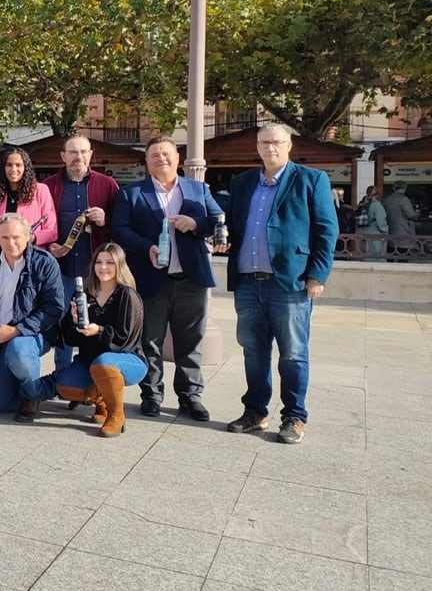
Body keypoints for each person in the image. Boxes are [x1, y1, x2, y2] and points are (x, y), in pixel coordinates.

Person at [225, 124, 338, 444]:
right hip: (248, 282)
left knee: (293, 354)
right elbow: (230, 222)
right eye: (264, 142)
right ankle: (255, 412)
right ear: (257, 146)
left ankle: (294, 416)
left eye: (276, 142)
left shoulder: (311, 179)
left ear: (289, 145)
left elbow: (326, 231)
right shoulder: (243, 182)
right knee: (253, 352)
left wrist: (317, 275)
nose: (269, 147)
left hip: (291, 283)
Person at [109, 136, 221, 421]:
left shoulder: (198, 189)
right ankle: (152, 395)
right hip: (150, 280)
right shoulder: (131, 193)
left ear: (178, 158)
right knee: (150, 341)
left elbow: (217, 220)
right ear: (147, 161)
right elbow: (119, 229)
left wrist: (196, 224)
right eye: (155, 155)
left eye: (167, 154)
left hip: (190, 279)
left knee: (190, 341)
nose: (162, 159)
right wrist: (146, 247)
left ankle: (191, 396)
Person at [48, 243, 148, 437]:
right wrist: (74, 320)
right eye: (99, 262)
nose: (103, 267)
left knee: (103, 364)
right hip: (89, 361)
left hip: (127, 360)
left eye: (110, 262)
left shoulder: (127, 294)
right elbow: (70, 339)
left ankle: (116, 415)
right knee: (65, 387)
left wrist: (98, 331)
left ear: (120, 265)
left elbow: (124, 339)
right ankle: (102, 401)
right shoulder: (86, 294)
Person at [0, 213, 64, 421]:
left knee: (18, 349)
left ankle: (34, 394)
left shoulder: (45, 263)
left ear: (28, 236)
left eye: (16, 237)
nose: (10, 243)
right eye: (4, 238)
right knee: (1, 404)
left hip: (32, 334)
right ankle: (33, 386)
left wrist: (16, 330)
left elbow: (54, 308)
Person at [42, 134, 120, 371]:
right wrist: (48, 247)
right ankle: (63, 376)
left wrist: (105, 221)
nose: (79, 157)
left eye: (83, 152)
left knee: (94, 323)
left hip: (97, 271)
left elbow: (121, 227)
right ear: (63, 156)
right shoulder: (48, 186)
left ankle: (92, 376)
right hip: (61, 270)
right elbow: (40, 224)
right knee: (64, 322)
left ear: (91, 155)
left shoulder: (107, 185)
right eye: (73, 152)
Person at [0, 146, 58, 250]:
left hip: (32, 256)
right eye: (9, 165)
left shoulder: (41, 191)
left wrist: (31, 238)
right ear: (3, 168)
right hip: (3, 258)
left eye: (18, 165)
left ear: (26, 168)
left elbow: (52, 232)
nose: (13, 169)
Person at [383, 181, 417, 260]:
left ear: (393, 188)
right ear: (405, 188)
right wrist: (416, 215)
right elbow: (410, 215)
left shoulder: (387, 199)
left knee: (390, 258)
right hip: (403, 234)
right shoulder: (404, 199)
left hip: (390, 234)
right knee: (403, 258)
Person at [364, 189, 389, 260]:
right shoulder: (377, 205)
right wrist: (384, 229)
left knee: (370, 252)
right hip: (376, 231)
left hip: (368, 230)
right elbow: (381, 219)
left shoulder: (368, 204)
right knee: (377, 254)